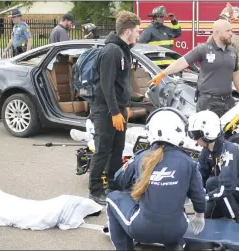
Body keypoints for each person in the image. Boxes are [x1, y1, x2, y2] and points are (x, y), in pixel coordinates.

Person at [106, 107, 206, 250]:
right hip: (177, 230)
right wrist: (199, 216)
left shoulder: (141, 157)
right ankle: (173, 245)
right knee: (174, 207)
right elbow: (199, 196)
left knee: (112, 197)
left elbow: (119, 179)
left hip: (142, 229)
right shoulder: (189, 161)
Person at [88, 11, 141, 205]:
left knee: (117, 149)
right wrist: (115, 112)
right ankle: (95, 190)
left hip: (118, 109)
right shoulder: (111, 51)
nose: (139, 34)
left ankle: (113, 184)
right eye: (137, 30)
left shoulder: (125, 50)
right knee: (103, 149)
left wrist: (125, 106)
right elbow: (106, 86)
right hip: (106, 110)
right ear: (127, 31)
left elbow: (122, 84)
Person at [148, 19, 239, 114]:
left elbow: (236, 74)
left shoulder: (232, 52)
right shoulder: (203, 49)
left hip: (228, 101)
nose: (231, 34)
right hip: (208, 103)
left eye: (231, 31)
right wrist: (162, 74)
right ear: (217, 33)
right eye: (228, 31)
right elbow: (181, 63)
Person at [187, 110, 239, 223]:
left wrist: (206, 197)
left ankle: (235, 219)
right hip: (233, 182)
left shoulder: (228, 152)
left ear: (208, 133)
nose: (195, 140)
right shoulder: (206, 151)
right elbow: (200, 176)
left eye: (196, 135)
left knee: (217, 185)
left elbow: (226, 187)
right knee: (210, 210)